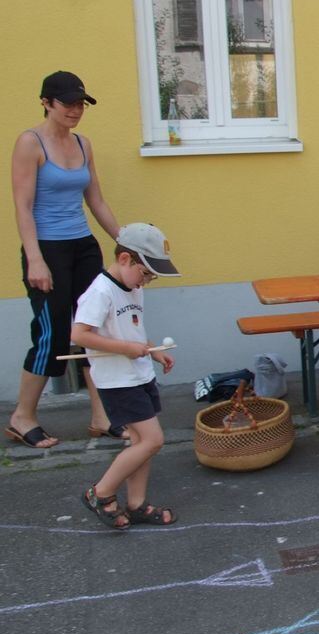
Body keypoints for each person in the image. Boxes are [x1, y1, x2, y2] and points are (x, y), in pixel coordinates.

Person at [6, 71, 123, 450]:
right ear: (46, 102)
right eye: (68, 103)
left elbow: (97, 201)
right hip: (47, 248)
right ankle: (22, 418)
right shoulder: (30, 143)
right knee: (51, 333)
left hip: (83, 245)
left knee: (92, 328)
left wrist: (125, 242)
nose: (75, 111)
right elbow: (22, 208)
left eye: (80, 104)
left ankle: (101, 417)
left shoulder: (83, 145)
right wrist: (35, 260)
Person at [72, 223, 179, 530]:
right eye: (145, 273)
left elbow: (132, 332)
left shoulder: (134, 288)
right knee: (152, 440)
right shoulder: (100, 292)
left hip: (138, 374)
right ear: (124, 260)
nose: (147, 281)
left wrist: (152, 350)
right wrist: (124, 348)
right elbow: (79, 334)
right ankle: (100, 492)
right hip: (117, 381)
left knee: (138, 441)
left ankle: (136, 504)